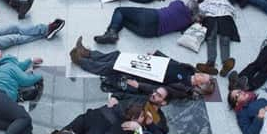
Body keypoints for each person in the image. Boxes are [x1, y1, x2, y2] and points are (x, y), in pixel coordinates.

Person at [70, 38, 217, 98]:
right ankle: (88, 53)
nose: (202, 74)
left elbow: (161, 90)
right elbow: (172, 63)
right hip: (148, 64)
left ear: (201, 84)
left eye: (204, 77)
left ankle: (81, 61)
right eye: (204, 74)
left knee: (111, 67)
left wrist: (138, 85)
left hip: (144, 75)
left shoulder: (184, 88)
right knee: (117, 55)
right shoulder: (189, 70)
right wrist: (157, 54)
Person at [93, 0, 198, 44]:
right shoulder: (187, 22)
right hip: (148, 33)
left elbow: (172, 4)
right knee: (123, 20)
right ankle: (111, 34)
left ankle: (111, 32)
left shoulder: (179, 4)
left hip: (152, 16)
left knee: (119, 11)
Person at [195, 0, 240, 77]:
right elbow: (200, 11)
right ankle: (210, 64)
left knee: (225, 39)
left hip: (224, 16)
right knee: (211, 38)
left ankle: (226, 64)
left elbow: (232, 10)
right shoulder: (203, 1)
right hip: (211, 17)